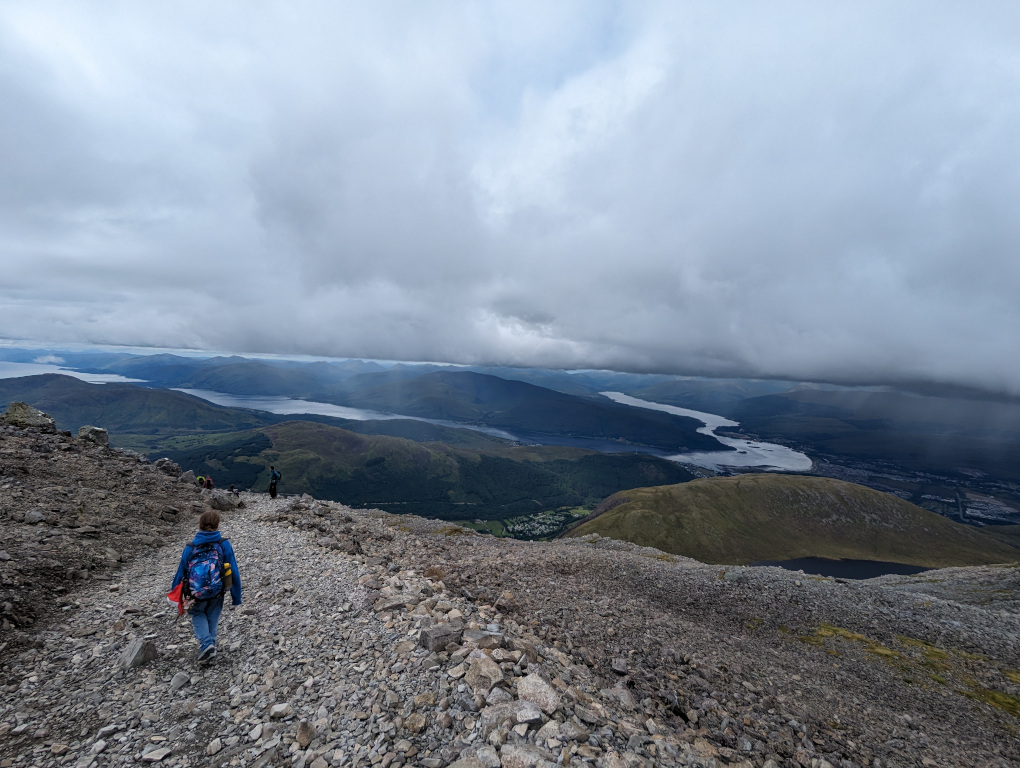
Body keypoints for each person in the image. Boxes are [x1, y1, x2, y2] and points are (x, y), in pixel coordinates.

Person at [170, 510, 242, 662]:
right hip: (217, 590)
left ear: (200, 525)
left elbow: (181, 571)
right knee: (212, 616)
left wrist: (174, 593)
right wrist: (236, 596)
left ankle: (207, 645)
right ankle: (211, 647)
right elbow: (233, 570)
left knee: (198, 614)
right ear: (217, 524)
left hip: (196, 592)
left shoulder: (191, 547)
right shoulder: (223, 544)